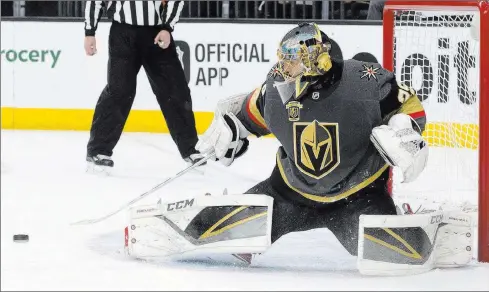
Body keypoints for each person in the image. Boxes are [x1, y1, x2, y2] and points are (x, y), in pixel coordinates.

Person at [125, 23, 436, 268]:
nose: (284, 69)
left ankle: (403, 217)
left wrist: (404, 128)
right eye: (284, 60)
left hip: (359, 198)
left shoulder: (365, 82)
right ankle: (185, 230)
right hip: (289, 195)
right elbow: (247, 113)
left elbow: (410, 106)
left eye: (293, 61)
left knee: (409, 254)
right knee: (213, 234)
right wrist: (231, 127)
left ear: (316, 60)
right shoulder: (276, 88)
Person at [83, 1, 203, 173]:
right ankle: (98, 150)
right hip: (123, 33)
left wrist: (167, 27)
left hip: (157, 32)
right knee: (119, 90)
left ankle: (190, 148)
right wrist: (89, 31)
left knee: (175, 90)